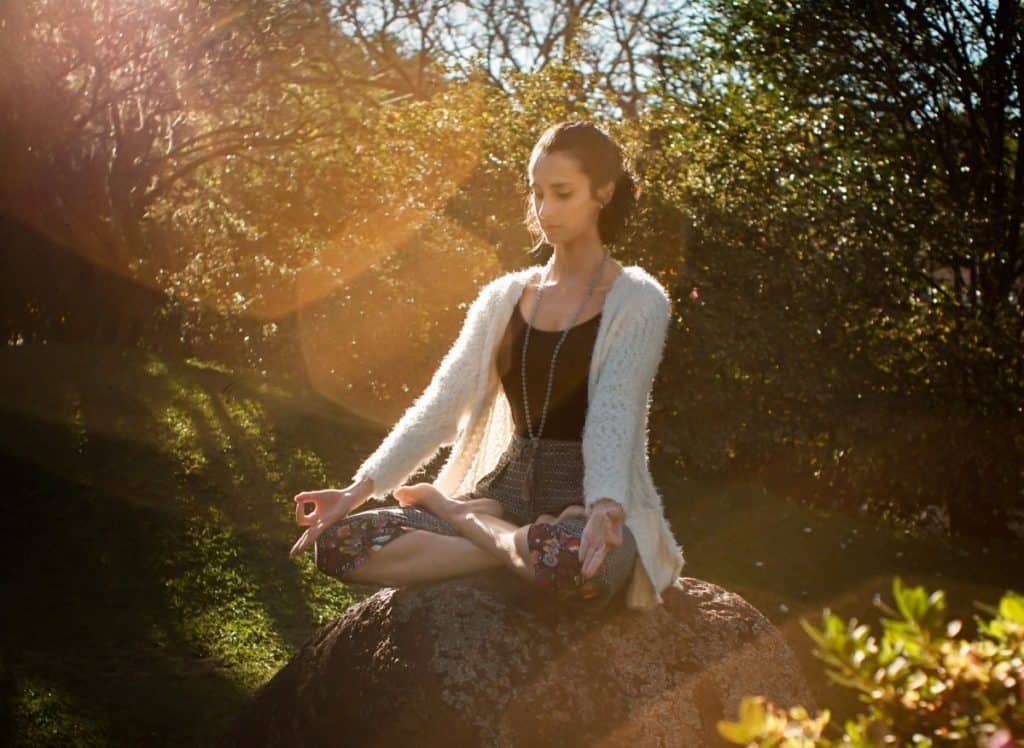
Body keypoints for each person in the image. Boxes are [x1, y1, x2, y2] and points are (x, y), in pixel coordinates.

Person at [290, 120, 685, 612]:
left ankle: (456, 514)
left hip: (584, 504)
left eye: (562, 193)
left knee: (571, 564)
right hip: (504, 490)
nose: (545, 211)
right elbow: (439, 406)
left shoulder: (639, 300)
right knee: (340, 543)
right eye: (537, 193)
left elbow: (614, 412)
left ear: (603, 191)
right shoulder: (503, 298)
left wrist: (606, 504)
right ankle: (501, 539)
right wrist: (355, 491)